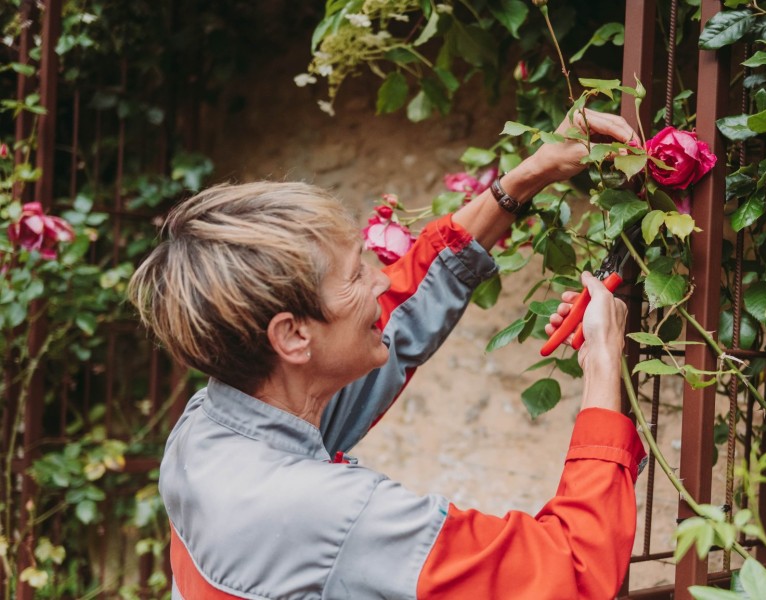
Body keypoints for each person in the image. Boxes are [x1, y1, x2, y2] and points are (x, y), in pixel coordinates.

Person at [128, 109, 647, 599]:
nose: (379, 281)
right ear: (291, 336)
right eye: (357, 274)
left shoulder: (205, 431)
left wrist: (525, 178)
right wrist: (603, 363)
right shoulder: (335, 515)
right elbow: (570, 572)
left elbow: (402, 314)